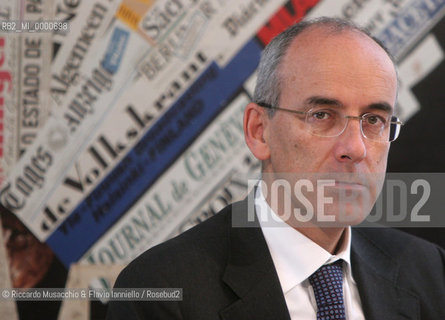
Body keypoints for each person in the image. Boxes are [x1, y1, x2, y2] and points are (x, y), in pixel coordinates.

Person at [106, 17, 445, 320]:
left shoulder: (430, 272)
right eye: (322, 116)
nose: (355, 148)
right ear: (259, 131)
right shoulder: (162, 292)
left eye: (374, 120)